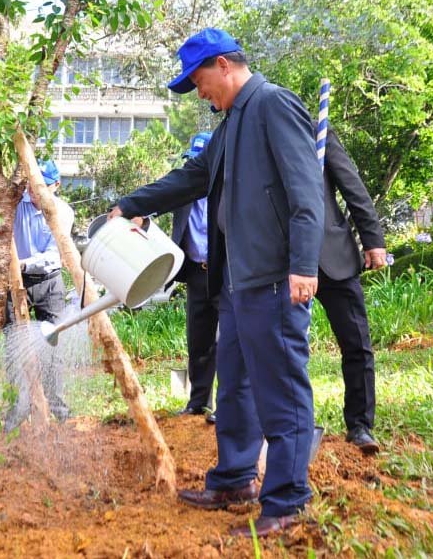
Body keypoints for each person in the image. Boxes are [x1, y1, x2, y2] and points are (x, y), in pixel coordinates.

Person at [108, 27, 324, 538]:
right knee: (236, 387)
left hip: (274, 276)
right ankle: (234, 478)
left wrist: (304, 265)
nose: (198, 91)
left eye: (199, 80)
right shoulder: (229, 125)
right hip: (237, 281)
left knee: (281, 389)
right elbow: (191, 178)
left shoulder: (273, 105)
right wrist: (132, 204)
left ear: (224, 64)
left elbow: (306, 191)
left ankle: (287, 500)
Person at [316, 126, 388, 453]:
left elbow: (352, 187)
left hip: (332, 254)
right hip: (279, 260)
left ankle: (360, 425)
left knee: (356, 342)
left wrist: (372, 240)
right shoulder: (251, 136)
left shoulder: (316, 131)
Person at [5, 159, 74, 427]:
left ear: (56, 186)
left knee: (52, 345)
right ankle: (18, 409)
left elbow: (51, 254)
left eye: (42, 187)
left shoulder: (62, 212)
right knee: (15, 344)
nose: (34, 193)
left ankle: (58, 408)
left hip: (49, 282)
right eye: (32, 187)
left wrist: (21, 263)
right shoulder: (13, 205)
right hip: (16, 282)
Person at [169, 132, 219, 424]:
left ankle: (227, 405)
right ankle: (199, 401)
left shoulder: (228, 192)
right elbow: (161, 199)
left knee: (228, 341)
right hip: (197, 273)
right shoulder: (185, 196)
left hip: (225, 273)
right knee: (198, 341)